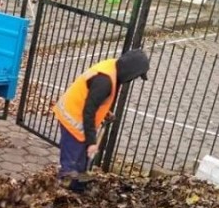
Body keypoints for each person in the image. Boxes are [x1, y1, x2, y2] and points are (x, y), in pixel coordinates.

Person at [52, 49, 149, 192]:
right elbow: (88, 111)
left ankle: (77, 189)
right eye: (135, 76)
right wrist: (92, 142)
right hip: (73, 119)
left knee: (82, 161)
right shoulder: (105, 80)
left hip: (80, 117)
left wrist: (105, 113)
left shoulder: (112, 68)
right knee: (72, 163)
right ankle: (62, 194)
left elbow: (95, 99)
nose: (132, 80)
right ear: (130, 72)